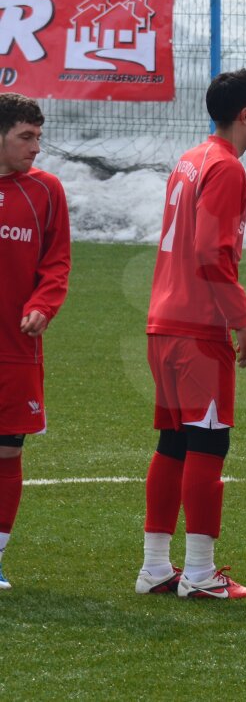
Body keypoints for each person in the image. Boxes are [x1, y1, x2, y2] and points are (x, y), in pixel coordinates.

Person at [137, 69, 246, 600]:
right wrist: (245, 324)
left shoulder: (190, 160)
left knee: (173, 442)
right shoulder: (226, 168)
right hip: (197, 329)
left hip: (162, 324)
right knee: (209, 445)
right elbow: (214, 254)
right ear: (244, 115)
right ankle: (198, 573)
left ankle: (154, 567)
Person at [0, 93, 70, 591]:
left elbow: (57, 261)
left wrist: (43, 304)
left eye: (38, 137)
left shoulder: (46, 191)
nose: (36, 147)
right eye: (26, 137)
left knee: (7, 452)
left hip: (15, 349)